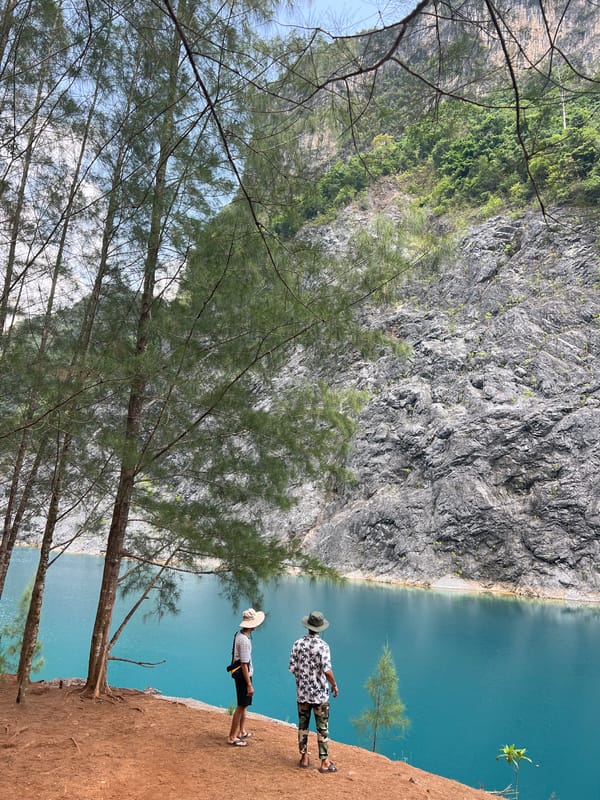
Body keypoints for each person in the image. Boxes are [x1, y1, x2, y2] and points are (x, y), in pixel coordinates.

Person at [289, 610, 339, 773]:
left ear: (308, 626)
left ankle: (304, 757)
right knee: (322, 728)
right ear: (320, 628)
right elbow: (327, 670)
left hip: (302, 694)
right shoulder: (323, 646)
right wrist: (334, 685)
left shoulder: (297, 644)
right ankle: (324, 762)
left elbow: (292, 668)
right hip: (320, 696)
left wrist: (303, 681)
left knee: (303, 725)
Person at [227, 607, 265, 746]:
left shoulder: (240, 634)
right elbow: (244, 664)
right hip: (244, 676)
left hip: (243, 675)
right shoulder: (244, 641)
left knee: (244, 705)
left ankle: (241, 731)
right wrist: (249, 684)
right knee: (241, 706)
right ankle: (232, 737)